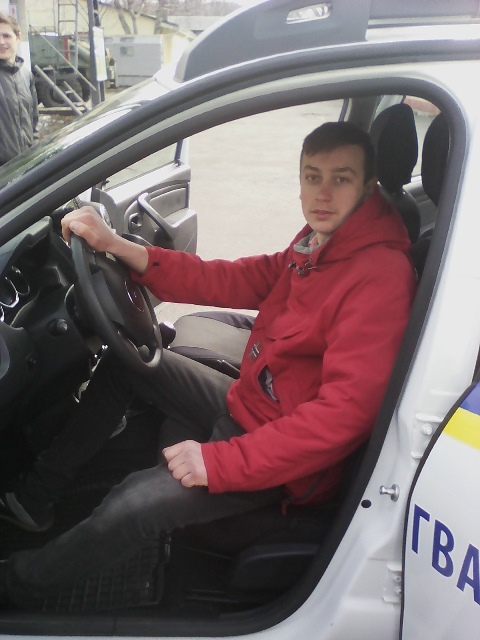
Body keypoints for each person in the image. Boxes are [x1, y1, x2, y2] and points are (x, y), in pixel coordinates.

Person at [0, 122, 416, 608]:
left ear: (367, 187)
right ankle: (36, 499)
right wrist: (119, 246)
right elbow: (234, 278)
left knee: (134, 503)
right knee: (128, 364)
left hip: (286, 463)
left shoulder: (377, 276)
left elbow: (341, 418)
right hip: (251, 405)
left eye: (340, 179)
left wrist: (218, 462)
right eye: (312, 176)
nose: (322, 193)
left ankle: (18, 587)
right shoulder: (321, 244)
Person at [0, 13, 38, 167]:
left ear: (18, 37)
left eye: (6, 36)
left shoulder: (26, 75)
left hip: (25, 166)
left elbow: (33, 121)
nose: (1, 42)